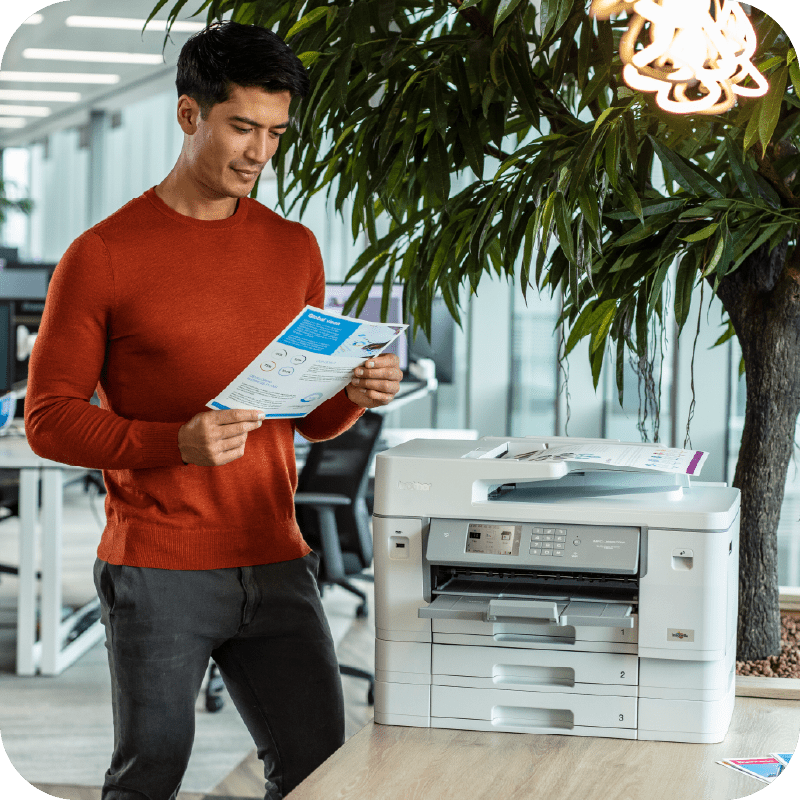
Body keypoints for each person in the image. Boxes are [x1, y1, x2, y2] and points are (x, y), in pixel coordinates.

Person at [24, 21, 402, 800]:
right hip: (158, 565)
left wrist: (353, 398)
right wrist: (176, 442)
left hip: (275, 555)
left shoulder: (293, 247)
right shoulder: (101, 254)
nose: (259, 153)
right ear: (189, 114)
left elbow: (303, 418)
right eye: (241, 127)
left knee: (316, 769)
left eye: (275, 132)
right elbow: (49, 418)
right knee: (150, 773)